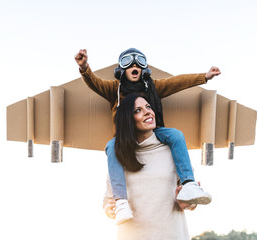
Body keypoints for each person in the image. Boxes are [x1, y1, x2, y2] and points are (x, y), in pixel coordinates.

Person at [75, 48, 220, 225]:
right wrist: (84, 68)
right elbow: (94, 83)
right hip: (125, 137)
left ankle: (189, 184)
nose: (134, 65)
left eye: (139, 63)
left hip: (154, 131)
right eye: (129, 62)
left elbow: (177, 82)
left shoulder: (152, 87)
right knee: (112, 146)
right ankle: (121, 201)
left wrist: (204, 76)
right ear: (122, 69)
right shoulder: (115, 89)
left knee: (175, 135)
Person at [103, 93, 196, 240]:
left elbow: (189, 201)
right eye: (137, 110)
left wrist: (189, 202)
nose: (148, 111)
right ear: (127, 120)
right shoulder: (118, 157)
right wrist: (110, 209)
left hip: (172, 234)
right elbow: (108, 200)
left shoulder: (173, 150)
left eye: (148, 107)